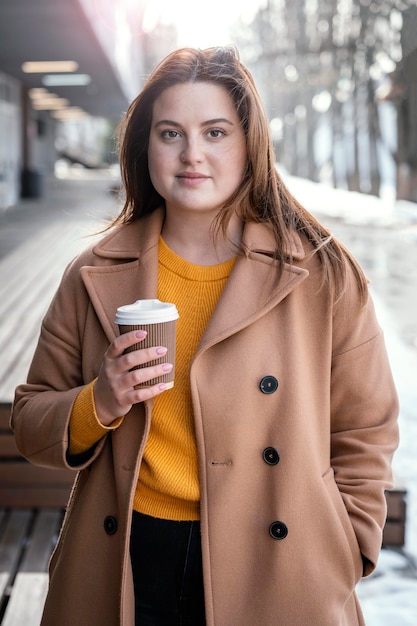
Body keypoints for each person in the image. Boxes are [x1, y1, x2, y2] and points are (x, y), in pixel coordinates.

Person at [11, 46, 399, 626]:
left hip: (279, 561)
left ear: (249, 144)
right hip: (127, 555)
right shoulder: (93, 273)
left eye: (215, 132)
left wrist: (347, 546)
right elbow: (29, 422)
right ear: (146, 146)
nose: (192, 154)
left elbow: (366, 428)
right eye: (171, 133)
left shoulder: (321, 274)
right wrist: (101, 400)